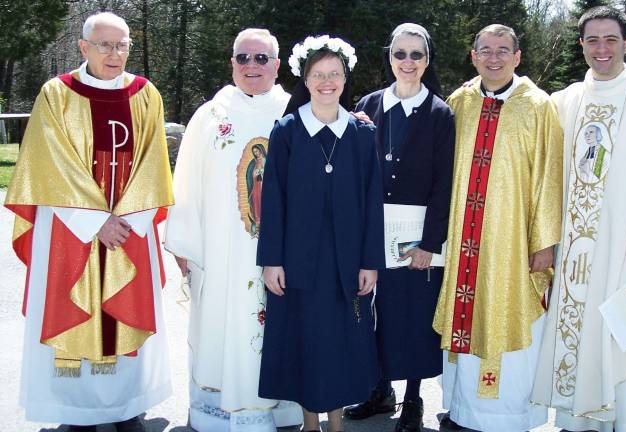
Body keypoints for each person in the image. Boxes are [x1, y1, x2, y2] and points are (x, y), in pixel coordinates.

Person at [4, 12, 173, 432]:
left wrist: (127, 218)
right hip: (70, 229)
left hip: (129, 226)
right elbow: (50, 163)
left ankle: (126, 405)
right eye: (104, 45)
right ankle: (76, 409)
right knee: (72, 303)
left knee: (125, 306)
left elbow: (154, 162)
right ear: (83, 47)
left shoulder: (145, 95)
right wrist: (96, 220)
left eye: (122, 45)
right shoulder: (56, 95)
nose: (114, 54)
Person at [532, 7, 626, 432]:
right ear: (581, 45)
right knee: (575, 335)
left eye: (610, 40)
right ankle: (578, 423)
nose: (602, 49)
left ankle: (624, 421)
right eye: (592, 40)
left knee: (619, 337)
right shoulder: (566, 102)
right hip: (573, 252)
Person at [164, 28, 302, 431]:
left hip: (283, 254)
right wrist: (184, 246)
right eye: (243, 58)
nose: (252, 66)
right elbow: (185, 184)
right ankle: (220, 414)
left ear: (277, 65)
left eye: (262, 59)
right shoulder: (210, 116)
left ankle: (285, 409)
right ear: (232, 64)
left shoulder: (296, 112)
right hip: (222, 252)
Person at [432, 24, 563, 432]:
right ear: (473, 57)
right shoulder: (460, 102)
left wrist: (544, 243)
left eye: (503, 50)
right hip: (463, 237)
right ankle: (461, 409)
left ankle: (505, 418)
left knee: (505, 311)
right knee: (464, 312)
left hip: (510, 241)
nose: (494, 57)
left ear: (517, 57)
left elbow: (549, 175)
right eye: (485, 50)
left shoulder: (538, 106)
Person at [256, 35, 384, 432]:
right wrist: (271, 260)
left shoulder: (362, 135)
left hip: (346, 263)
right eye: (317, 75)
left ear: (345, 79)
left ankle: (337, 422)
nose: (326, 82)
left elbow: (372, 203)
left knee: (342, 342)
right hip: (298, 262)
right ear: (305, 80)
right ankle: (310, 424)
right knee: (306, 342)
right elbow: (273, 201)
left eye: (334, 74)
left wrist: (370, 263)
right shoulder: (288, 131)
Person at [344, 23, 455, 432]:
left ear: (427, 61)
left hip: (416, 241)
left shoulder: (441, 114)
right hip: (370, 233)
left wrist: (430, 242)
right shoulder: (368, 106)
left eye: (417, 55)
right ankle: (378, 391)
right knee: (370, 313)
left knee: (411, 318)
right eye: (400, 54)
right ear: (389, 57)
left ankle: (412, 399)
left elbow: (445, 184)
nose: (408, 63)